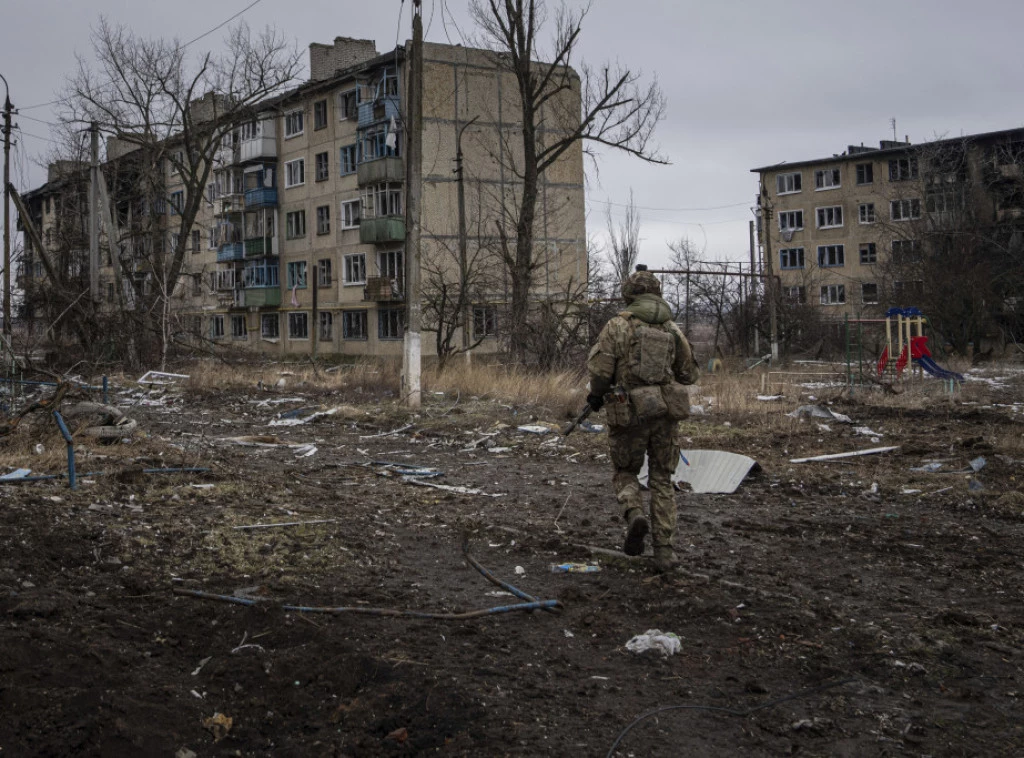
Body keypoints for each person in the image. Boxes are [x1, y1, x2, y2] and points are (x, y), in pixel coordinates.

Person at [586, 266, 699, 572]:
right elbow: (689, 374)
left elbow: (599, 373)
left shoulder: (616, 326)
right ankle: (665, 551)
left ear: (628, 296)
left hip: (629, 413)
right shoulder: (672, 329)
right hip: (664, 414)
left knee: (625, 472)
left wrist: (596, 396)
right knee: (662, 479)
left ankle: (634, 512)